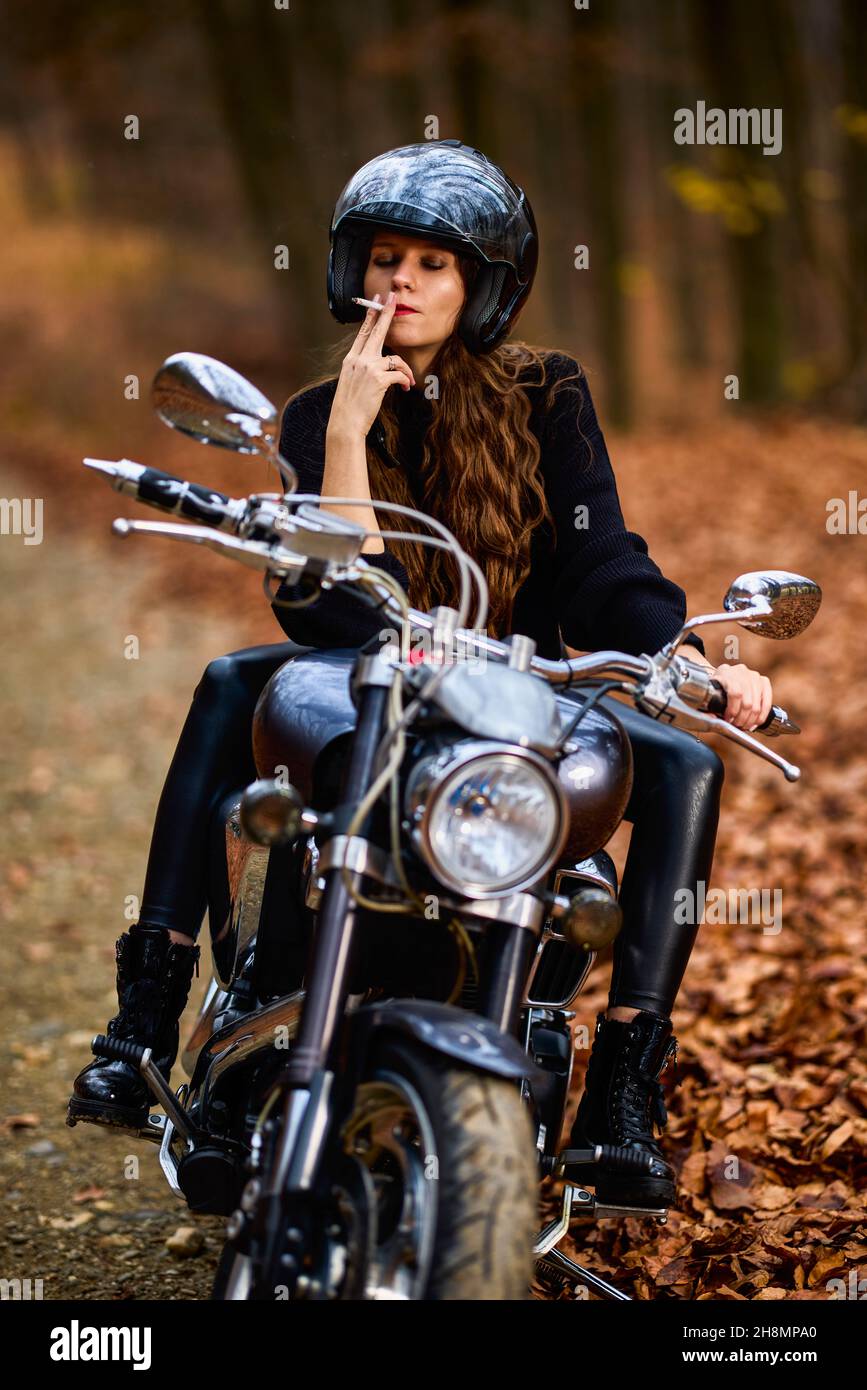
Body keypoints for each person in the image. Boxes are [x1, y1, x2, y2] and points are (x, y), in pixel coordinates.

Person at [68, 141, 773, 1210]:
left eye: (431, 264)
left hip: (522, 678)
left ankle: (624, 1087)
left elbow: (600, 559)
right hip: (364, 670)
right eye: (384, 256)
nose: (399, 280)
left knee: (679, 768)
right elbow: (328, 608)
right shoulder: (313, 415)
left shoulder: (549, 394)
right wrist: (348, 431)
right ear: (351, 268)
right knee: (229, 682)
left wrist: (678, 653)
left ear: (482, 284)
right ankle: (148, 1021)